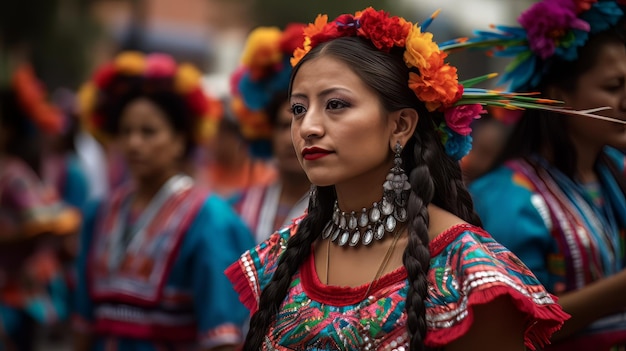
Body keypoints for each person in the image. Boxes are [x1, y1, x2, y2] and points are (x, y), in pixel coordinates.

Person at [226, 7, 572, 351]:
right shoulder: (280, 254)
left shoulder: (467, 271)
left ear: (401, 125)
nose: (308, 128)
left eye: (335, 105)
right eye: (298, 109)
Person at [466, 0, 626, 349]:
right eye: (614, 87)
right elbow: (508, 326)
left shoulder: (614, 173)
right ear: (560, 97)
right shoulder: (507, 197)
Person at [73, 52, 254, 351]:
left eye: (148, 132)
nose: (134, 143)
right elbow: (83, 323)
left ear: (180, 140)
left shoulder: (210, 220)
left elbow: (221, 338)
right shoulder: (99, 213)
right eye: (126, 131)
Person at [0, 63, 81, 351]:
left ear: (7, 131)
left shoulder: (14, 174)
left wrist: (11, 235)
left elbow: (52, 220)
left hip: (12, 296)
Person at [230, 25, 311, 243]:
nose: (290, 139)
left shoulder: (346, 215)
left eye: (301, 124)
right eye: (283, 126)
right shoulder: (235, 208)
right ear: (267, 132)